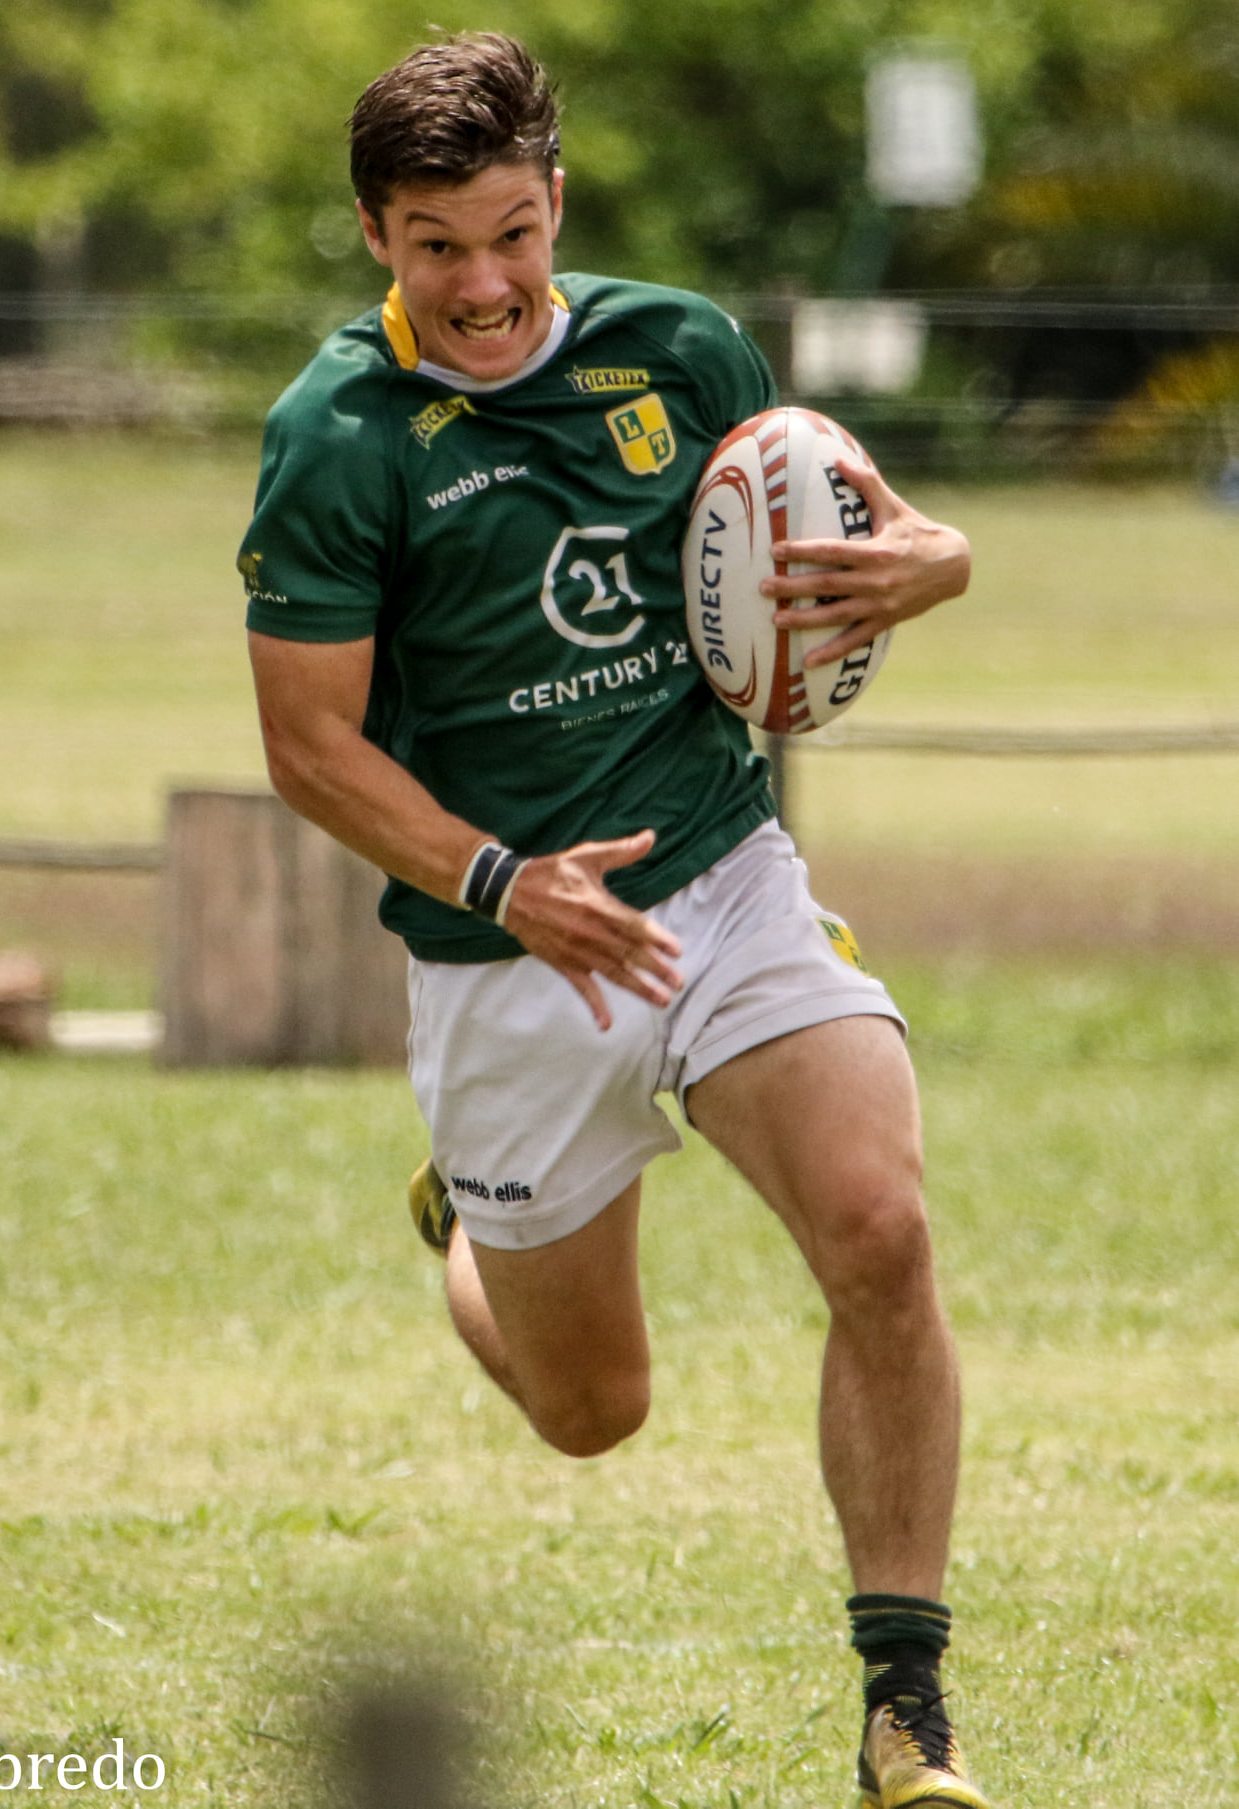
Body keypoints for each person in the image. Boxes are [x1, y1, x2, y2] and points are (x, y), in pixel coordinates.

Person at [240, 32, 989, 1809]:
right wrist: (509, 882)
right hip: (507, 951)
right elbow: (308, 747)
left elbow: (846, 524)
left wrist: (938, 560)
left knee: (881, 1228)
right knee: (593, 1411)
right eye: (438, 245)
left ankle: (906, 1706)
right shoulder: (337, 437)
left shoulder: (687, 350)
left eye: (512, 233)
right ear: (377, 237)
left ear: (558, 205)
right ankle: (465, 1224)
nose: (484, 284)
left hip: (721, 880)